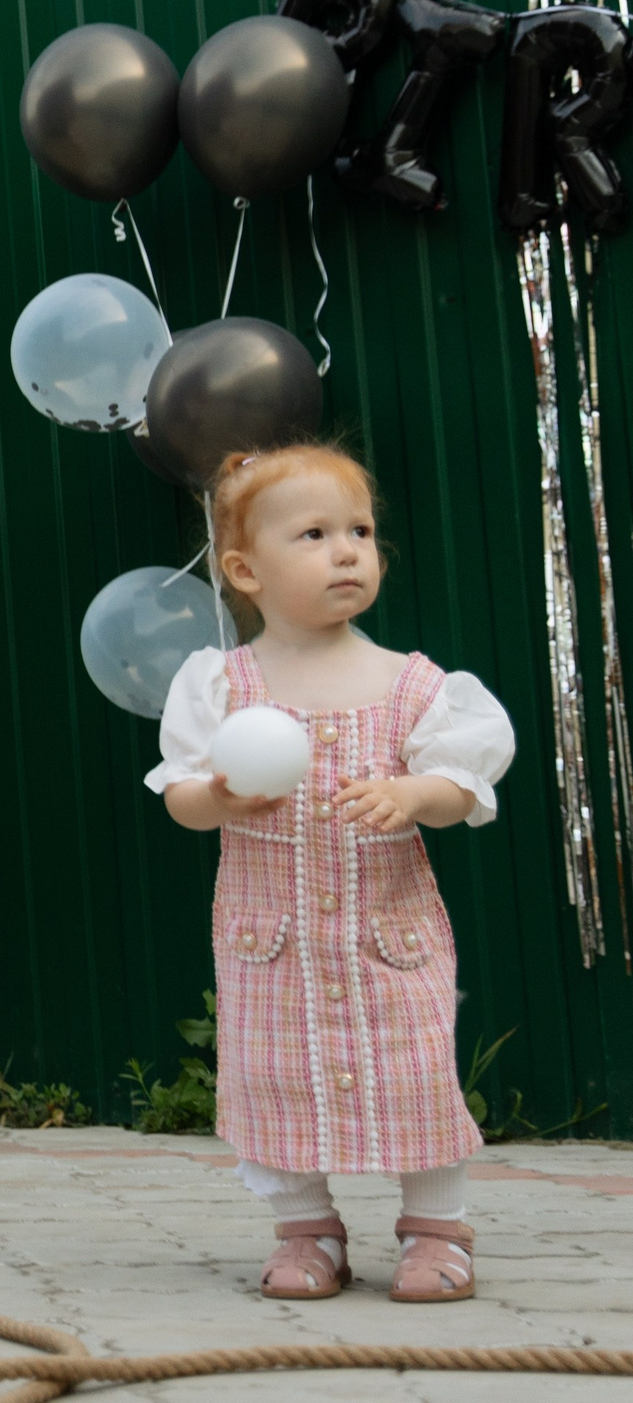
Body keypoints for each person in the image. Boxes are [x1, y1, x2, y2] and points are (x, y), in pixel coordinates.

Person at [147, 443, 514, 1304]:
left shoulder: (411, 683)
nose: (347, 549)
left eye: (361, 530)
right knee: (272, 1077)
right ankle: (307, 1230)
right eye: (313, 533)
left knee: (416, 1074)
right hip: (275, 944)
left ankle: (436, 1228)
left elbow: (467, 783)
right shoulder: (223, 687)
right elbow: (180, 793)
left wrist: (415, 790)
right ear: (244, 569)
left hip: (388, 937)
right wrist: (219, 795)